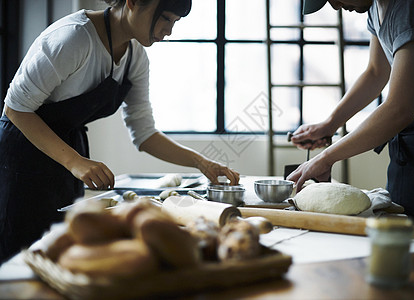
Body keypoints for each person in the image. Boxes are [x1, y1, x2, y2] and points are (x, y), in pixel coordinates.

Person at [0, 0, 240, 263]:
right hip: (22, 156)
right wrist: (76, 162)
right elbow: (16, 109)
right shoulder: (74, 38)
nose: (169, 31)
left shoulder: (135, 57)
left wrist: (202, 163)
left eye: (174, 23)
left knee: (67, 253)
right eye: (165, 19)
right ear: (133, 3)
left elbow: (145, 134)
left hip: (67, 156)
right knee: (20, 261)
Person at [287, 0, 414, 244]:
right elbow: (376, 72)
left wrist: (326, 157)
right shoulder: (375, 7)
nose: (335, 6)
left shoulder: (413, 6)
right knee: (401, 242)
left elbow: (399, 109)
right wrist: (330, 124)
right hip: (411, 141)